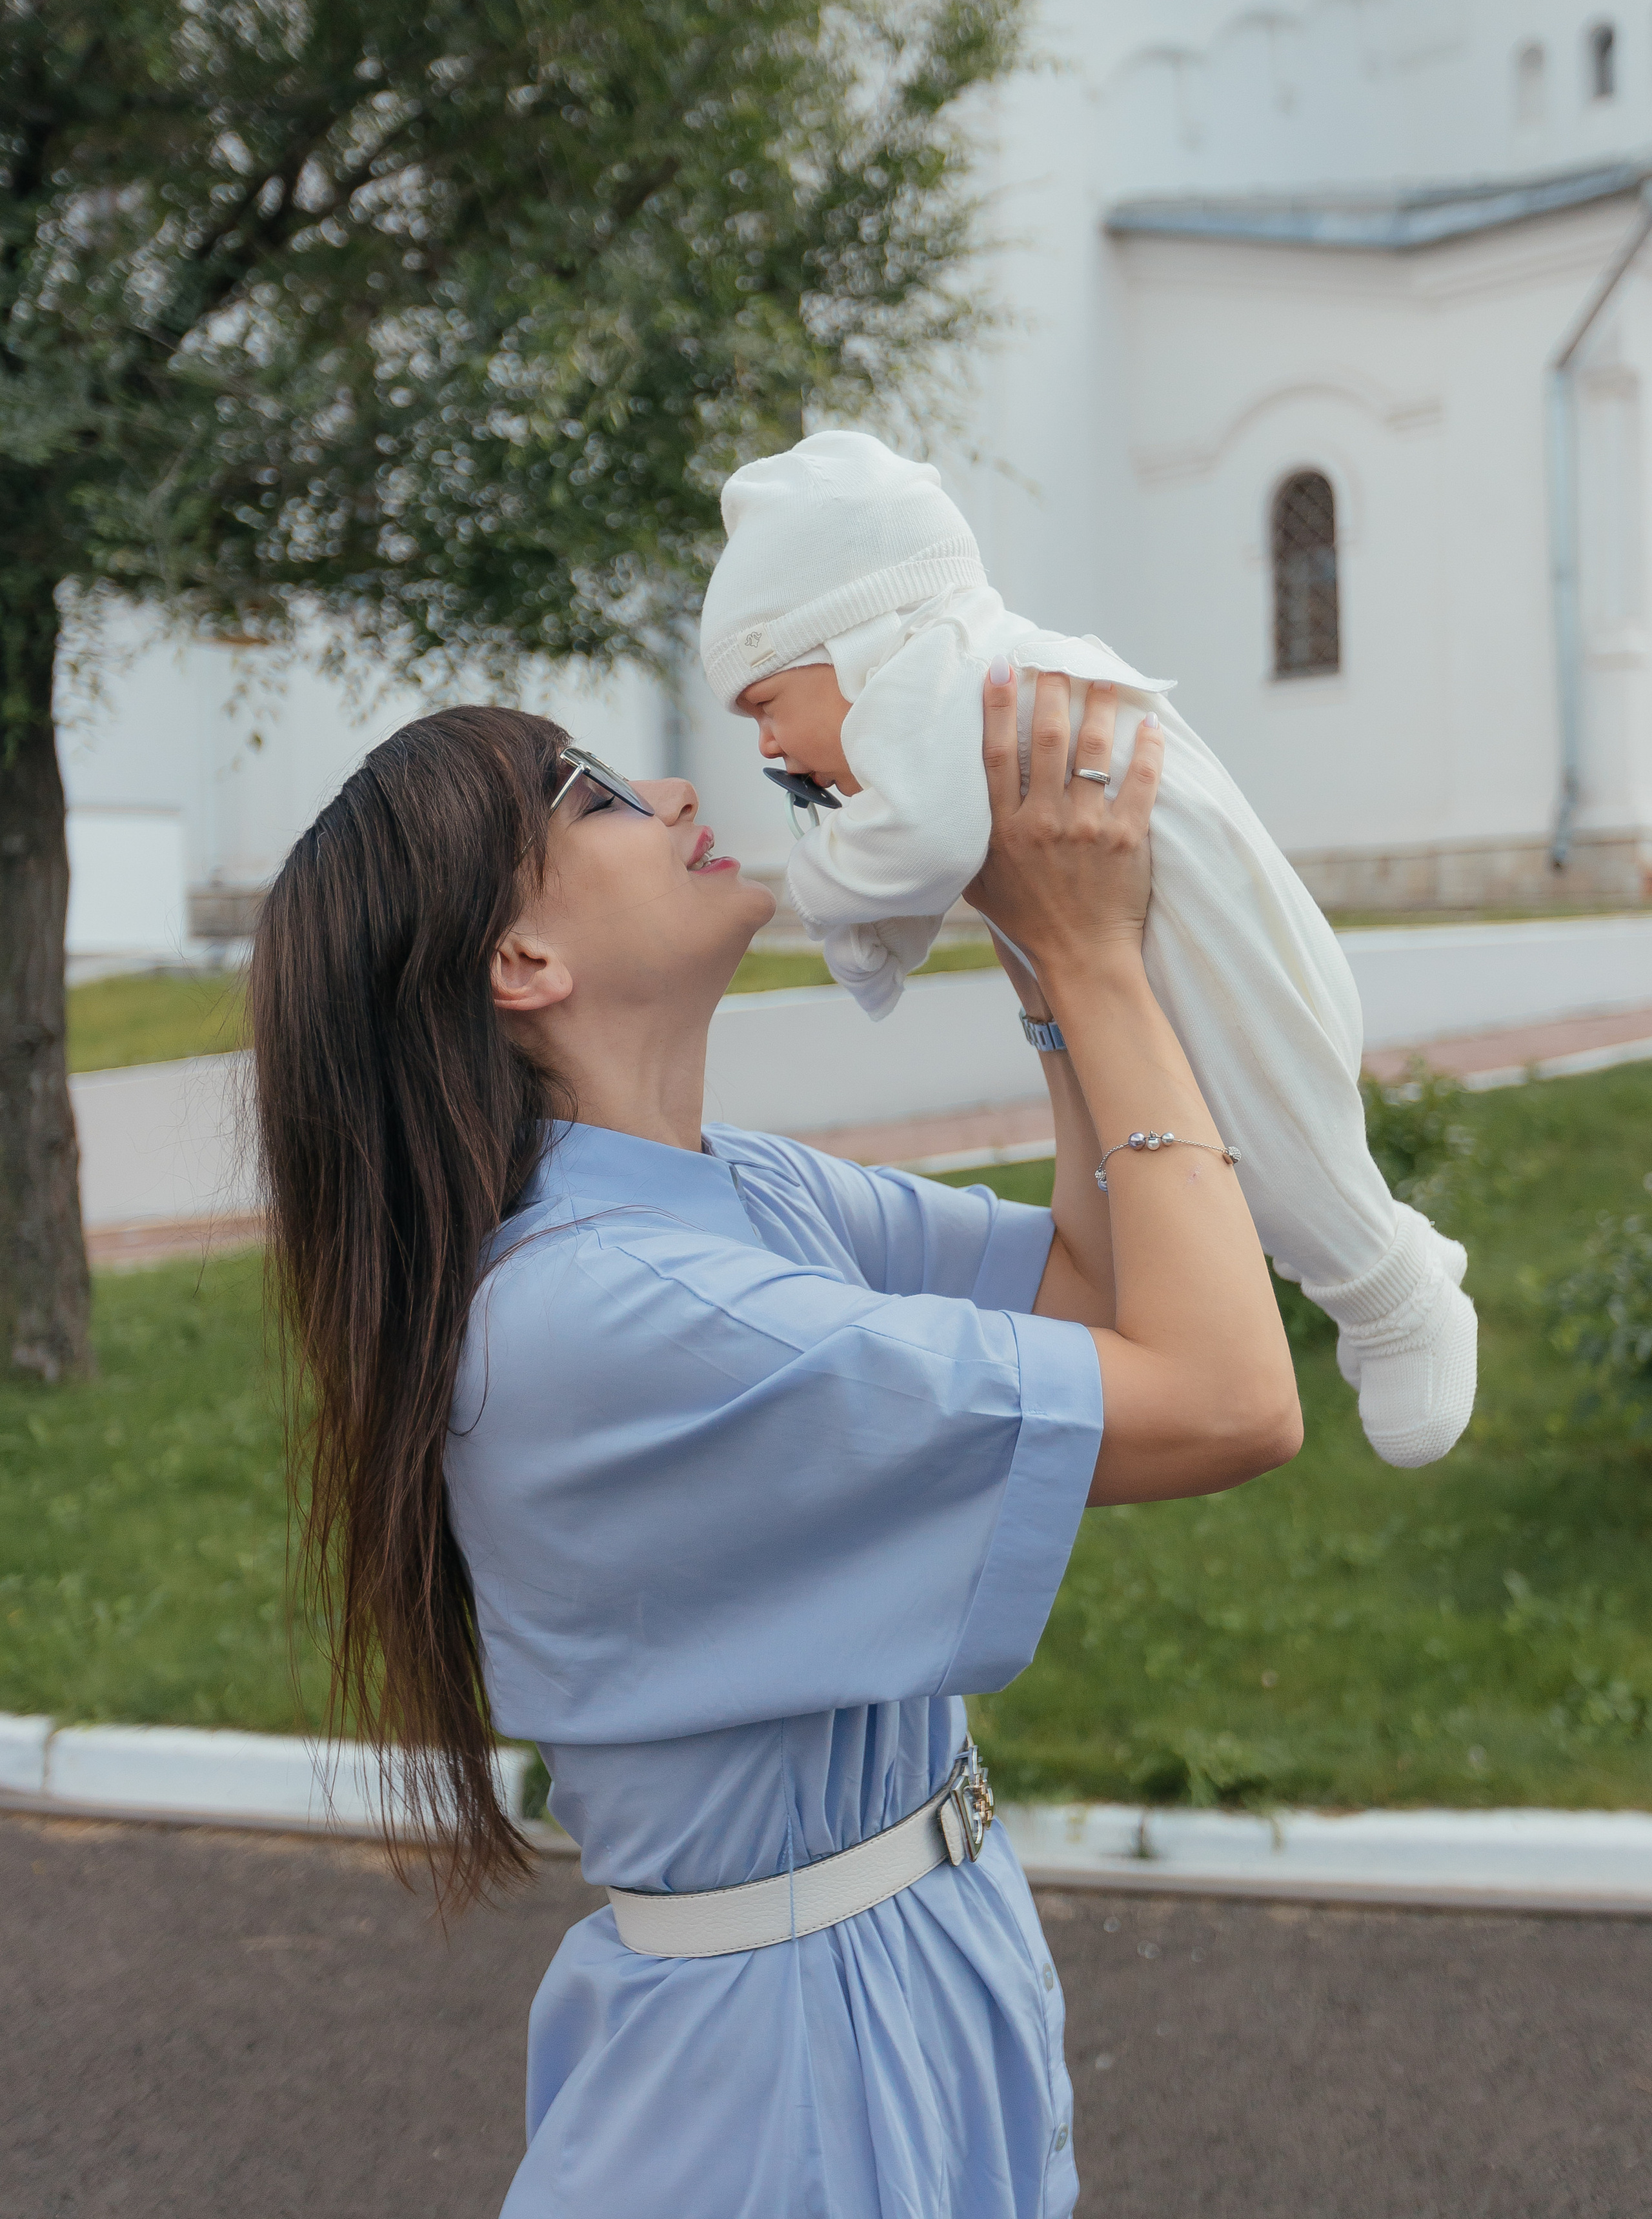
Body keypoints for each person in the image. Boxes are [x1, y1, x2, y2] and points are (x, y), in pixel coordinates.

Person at [247, 680, 1300, 2219]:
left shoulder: (736, 1192)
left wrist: (1033, 941)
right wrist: (1090, 955)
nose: (678, 792)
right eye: (597, 796)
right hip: (781, 2087)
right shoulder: (613, 1312)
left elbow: (1099, 1287)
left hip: (895, 1987)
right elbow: (1225, 1398)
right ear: (518, 963)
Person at [700, 427, 1477, 1472]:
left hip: (1205, 933)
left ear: (848, 642)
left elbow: (920, 847)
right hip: (1187, 923)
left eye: (764, 703)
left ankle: (1390, 1292)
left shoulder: (940, 680)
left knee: (1269, 1136)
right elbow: (933, 855)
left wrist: (820, 889)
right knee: (1228, 1138)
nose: (767, 746)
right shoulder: (956, 676)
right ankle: (1385, 1264)